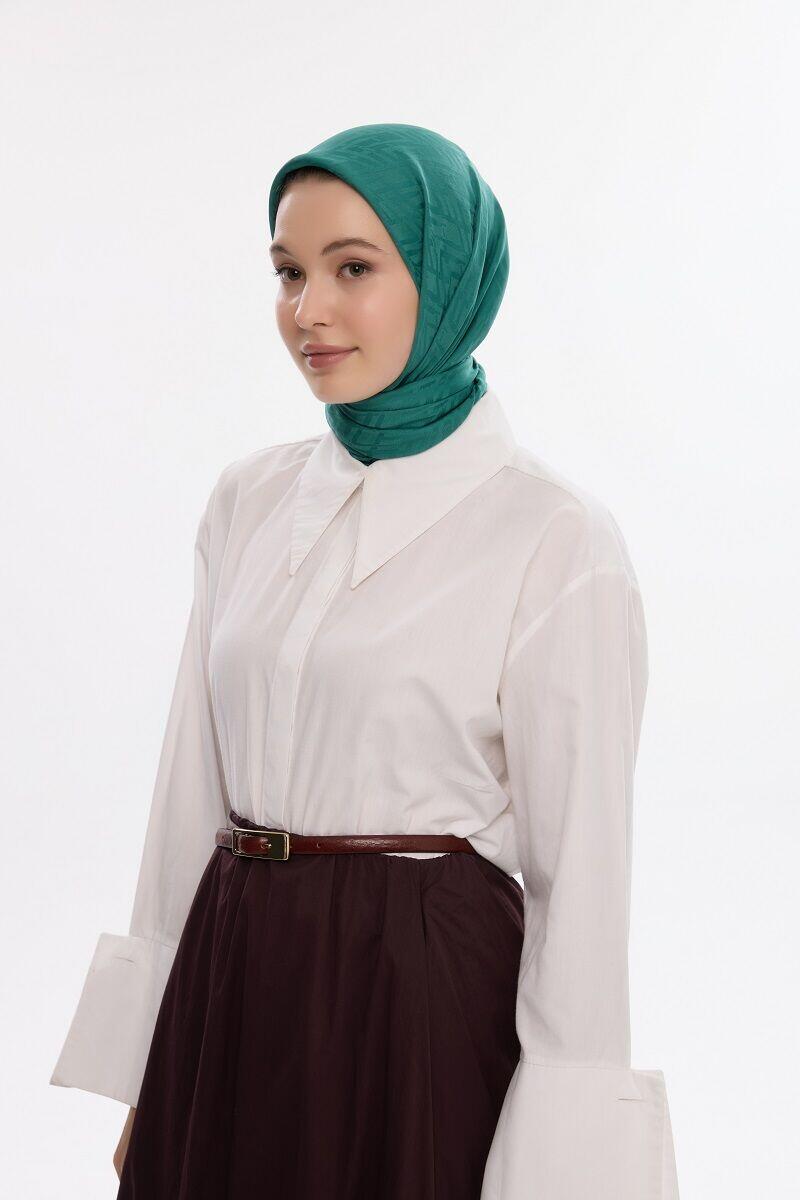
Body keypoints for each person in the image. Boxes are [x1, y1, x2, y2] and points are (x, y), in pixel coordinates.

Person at [49, 123, 680, 1199]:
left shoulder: (553, 535)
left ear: (445, 278)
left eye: (352, 269)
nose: (308, 310)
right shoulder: (247, 499)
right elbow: (185, 791)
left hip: (418, 1000)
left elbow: (581, 880)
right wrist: (151, 1066)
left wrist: (560, 1162)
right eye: (288, 272)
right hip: (230, 970)